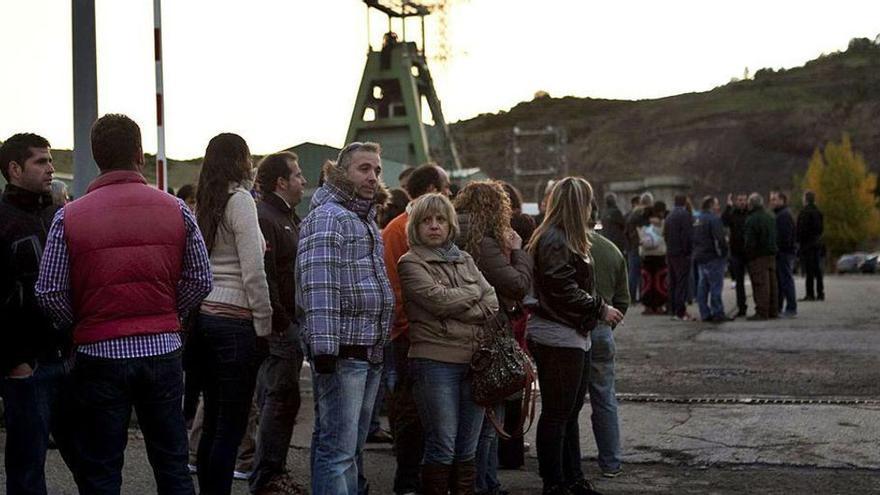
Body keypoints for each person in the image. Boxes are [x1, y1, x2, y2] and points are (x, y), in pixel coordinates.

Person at [35, 114, 213, 494]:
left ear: (97, 156)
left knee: (101, 470)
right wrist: (170, 312)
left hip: (97, 352)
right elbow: (201, 279)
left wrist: (80, 321)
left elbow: (49, 291)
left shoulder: (69, 216)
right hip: (163, 348)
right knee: (172, 465)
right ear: (139, 153)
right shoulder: (177, 209)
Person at [296, 142, 394, 495]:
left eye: (377, 170)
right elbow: (319, 283)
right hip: (344, 353)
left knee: (347, 449)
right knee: (338, 451)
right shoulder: (329, 217)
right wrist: (324, 351)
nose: (373, 177)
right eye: (364, 169)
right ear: (342, 173)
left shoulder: (361, 218)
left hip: (368, 348)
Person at [398, 193, 499, 495]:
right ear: (416, 225)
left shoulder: (464, 258)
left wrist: (470, 300)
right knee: (443, 443)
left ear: (450, 224)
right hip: (435, 361)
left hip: (474, 362)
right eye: (427, 220)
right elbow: (438, 301)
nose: (434, 226)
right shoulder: (410, 262)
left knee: (468, 447)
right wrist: (473, 293)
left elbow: (492, 299)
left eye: (440, 220)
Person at [527, 177, 623, 495]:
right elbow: (562, 287)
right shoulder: (557, 239)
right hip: (558, 335)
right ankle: (555, 482)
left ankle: (571, 478)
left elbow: (565, 285)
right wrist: (600, 308)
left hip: (570, 333)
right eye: (588, 201)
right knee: (558, 413)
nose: (592, 207)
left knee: (567, 413)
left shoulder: (564, 237)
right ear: (579, 204)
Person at [193, 133, 272, 495]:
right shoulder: (241, 200)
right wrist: (264, 323)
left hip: (206, 316)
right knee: (232, 424)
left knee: (211, 422)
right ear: (242, 159)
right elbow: (253, 270)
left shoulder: (206, 201)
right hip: (236, 318)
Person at [0, 133, 76, 494]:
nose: (50, 168)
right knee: (28, 469)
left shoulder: (57, 216)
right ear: (15, 169)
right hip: (28, 366)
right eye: (40, 162)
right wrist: (16, 360)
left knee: (92, 458)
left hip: (68, 356)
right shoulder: (3, 222)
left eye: (50, 160)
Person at [454, 180, 533, 495]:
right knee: (487, 420)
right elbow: (516, 284)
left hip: (455, 333)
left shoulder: (452, 231)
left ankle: (479, 483)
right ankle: (485, 484)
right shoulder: (482, 241)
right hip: (486, 333)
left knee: (465, 424)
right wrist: (518, 252)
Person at [382, 163, 451, 495]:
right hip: (412, 334)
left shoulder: (404, 228)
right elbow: (396, 287)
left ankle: (417, 479)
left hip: (421, 331)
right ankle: (409, 481)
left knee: (421, 411)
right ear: (432, 190)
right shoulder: (402, 230)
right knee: (413, 410)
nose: (450, 194)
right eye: (446, 187)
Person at [248, 152, 309, 494]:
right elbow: (264, 274)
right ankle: (267, 477)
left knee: (285, 400)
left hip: (287, 324)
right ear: (281, 182)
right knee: (280, 398)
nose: (304, 181)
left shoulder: (287, 216)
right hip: (278, 327)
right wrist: (282, 322)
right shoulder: (265, 216)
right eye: (298, 175)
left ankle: (273, 472)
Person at [587, 201, 629, 479]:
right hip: (602, 329)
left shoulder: (558, 245)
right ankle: (611, 462)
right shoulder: (611, 250)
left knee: (565, 404)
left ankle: (565, 465)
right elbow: (623, 300)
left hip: (569, 331)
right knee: (604, 397)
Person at [692, 196, 730, 323]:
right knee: (715, 286)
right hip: (713, 257)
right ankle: (718, 312)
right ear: (711, 205)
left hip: (700, 256)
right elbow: (720, 238)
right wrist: (724, 253)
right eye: (716, 204)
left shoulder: (697, 219)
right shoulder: (713, 219)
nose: (718, 207)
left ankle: (704, 312)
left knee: (702, 287)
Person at [743, 193, 778, 320]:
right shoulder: (770, 216)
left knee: (760, 284)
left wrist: (748, 255)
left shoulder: (752, 219)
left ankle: (762, 312)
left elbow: (750, 241)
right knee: (772, 284)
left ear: (751, 204)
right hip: (771, 254)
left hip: (758, 256)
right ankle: (773, 310)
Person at [664, 194, 693, 320]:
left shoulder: (669, 216)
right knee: (681, 283)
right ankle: (680, 311)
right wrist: (687, 251)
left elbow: (665, 234)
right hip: (681, 253)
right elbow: (687, 235)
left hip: (671, 252)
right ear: (685, 201)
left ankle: (672, 309)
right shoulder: (685, 215)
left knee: (673, 282)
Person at [770, 190, 798, 317]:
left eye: (774, 199)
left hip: (784, 253)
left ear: (782, 200)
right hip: (784, 252)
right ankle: (780, 307)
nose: (772, 202)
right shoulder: (780, 214)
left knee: (786, 280)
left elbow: (785, 237)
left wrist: (778, 249)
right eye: (771, 199)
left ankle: (791, 308)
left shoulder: (783, 216)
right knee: (782, 281)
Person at [722, 193, 750, 316]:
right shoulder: (733, 213)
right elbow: (723, 221)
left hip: (749, 252)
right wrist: (728, 206)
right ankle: (741, 307)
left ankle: (761, 306)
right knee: (739, 282)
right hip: (736, 252)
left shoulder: (750, 213)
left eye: (744, 200)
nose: (742, 202)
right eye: (739, 200)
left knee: (756, 280)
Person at [638, 202, 668, 315]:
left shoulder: (642, 224)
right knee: (659, 281)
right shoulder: (661, 223)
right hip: (659, 255)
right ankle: (659, 306)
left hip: (646, 256)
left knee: (647, 281)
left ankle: (648, 306)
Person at [797, 190, 824, 301]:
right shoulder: (818, 212)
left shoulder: (804, 212)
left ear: (806, 199)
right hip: (817, 243)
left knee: (809, 271)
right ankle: (820, 292)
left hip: (807, 244)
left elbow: (801, 229)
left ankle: (810, 294)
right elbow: (821, 228)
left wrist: (799, 240)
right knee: (817, 269)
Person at [624, 193, 651, 304]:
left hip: (632, 246)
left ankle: (632, 297)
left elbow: (625, 232)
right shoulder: (645, 214)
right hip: (640, 245)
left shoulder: (630, 215)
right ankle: (641, 296)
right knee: (640, 273)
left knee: (633, 273)